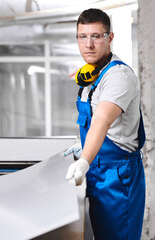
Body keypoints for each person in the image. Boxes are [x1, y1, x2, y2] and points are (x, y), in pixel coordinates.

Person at [63, 8, 146, 240]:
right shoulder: (91, 76)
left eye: (96, 36)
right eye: (83, 36)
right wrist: (86, 149)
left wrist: (85, 160)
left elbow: (101, 119)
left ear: (109, 38)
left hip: (117, 176)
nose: (88, 44)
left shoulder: (118, 76)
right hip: (98, 170)